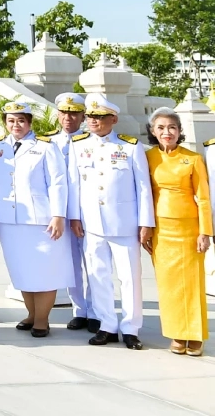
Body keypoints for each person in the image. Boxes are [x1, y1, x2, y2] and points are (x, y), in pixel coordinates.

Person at [68, 93, 153, 350]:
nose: (94, 121)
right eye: (91, 116)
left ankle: (131, 327)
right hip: (92, 223)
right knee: (98, 276)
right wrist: (74, 216)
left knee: (129, 278)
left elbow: (143, 187)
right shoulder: (78, 144)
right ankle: (107, 325)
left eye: (100, 116)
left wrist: (146, 222)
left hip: (124, 223)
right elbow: (74, 185)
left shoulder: (130, 146)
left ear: (113, 119)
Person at [0, 100, 70, 337]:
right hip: (9, 219)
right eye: (11, 120)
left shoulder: (46, 147)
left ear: (30, 122)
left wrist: (59, 215)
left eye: (21, 120)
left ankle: (42, 319)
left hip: (41, 219)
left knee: (43, 271)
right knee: (21, 271)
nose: (16, 125)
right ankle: (31, 315)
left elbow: (58, 182)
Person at [147, 107, 213, 356]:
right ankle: (176, 334)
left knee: (192, 284)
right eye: (161, 128)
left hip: (188, 228)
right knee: (168, 286)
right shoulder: (147, 157)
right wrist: (146, 228)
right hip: (161, 229)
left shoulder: (193, 158)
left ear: (180, 131)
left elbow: (204, 198)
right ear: (153, 131)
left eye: (172, 127)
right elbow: (144, 194)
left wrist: (204, 232)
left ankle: (195, 335)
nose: (167, 132)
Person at [49, 92, 93, 331]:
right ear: (58, 115)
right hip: (59, 212)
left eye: (74, 113)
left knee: (92, 262)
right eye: (64, 112)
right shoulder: (48, 142)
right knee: (71, 263)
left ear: (82, 116)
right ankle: (80, 310)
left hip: (86, 211)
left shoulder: (89, 141)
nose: (69, 117)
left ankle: (96, 310)